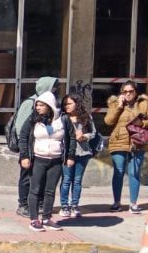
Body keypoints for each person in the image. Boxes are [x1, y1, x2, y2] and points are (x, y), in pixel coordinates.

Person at [18, 92, 75, 232]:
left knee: (50, 191)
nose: (38, 107)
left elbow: (72, 138)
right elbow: (23, 137)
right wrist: (24, 156)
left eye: (41, 105)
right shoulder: (33, 119)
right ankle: (34, 219)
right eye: (37, 104)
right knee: (35, 189)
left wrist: (70, 156)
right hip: (38, 159)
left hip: (56, 160)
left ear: (49, 106)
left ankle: (47, 218)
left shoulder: (63, 119)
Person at [105, 80, 148, 214]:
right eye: (125, 91)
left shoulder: (144, 104)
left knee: (134, 173)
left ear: (135, 92)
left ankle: (133, 204)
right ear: (121, 93)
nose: (128, 94)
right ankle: (116, 202)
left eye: (131, 91)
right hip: (118, 142)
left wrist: (142, 123)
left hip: (138, 142)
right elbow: (108, 121)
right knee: (118, 173)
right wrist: (119, 106)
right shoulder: (115, 103)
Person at [11, 75, 59, 217]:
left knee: (40, 178)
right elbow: (21, 130)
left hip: (41, 149)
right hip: (29, 149)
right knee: (26, 177)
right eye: (54, 87)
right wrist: (25, 152)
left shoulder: (50, 105)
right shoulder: (30, 103)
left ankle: (38, 204)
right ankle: (23, 204)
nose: (56, 90)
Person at [59, 93, 97, 219]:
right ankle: (64, 206)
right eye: (65, 104)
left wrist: (85, 136)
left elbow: (93, 132)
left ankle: (74, 205)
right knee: (66, 180)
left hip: (83, 151)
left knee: (77, 180)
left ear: (77, 104)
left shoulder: (86, 117)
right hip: (67, 152)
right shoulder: (62, 117)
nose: (67, 106)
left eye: (69, 103)